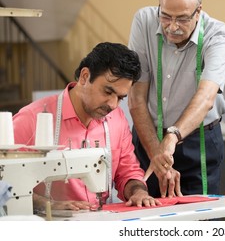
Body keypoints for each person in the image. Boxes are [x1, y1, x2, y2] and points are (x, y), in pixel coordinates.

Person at [13, 42, 160, 211]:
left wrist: (138, 192)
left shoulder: (116, 119)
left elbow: (127, 171)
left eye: (120, 98)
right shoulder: (32, 119)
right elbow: (6, 180)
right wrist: (48, 205)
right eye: (107, 92)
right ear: (84, 77)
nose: (113, 104)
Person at [128, 0, 225, 198]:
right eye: (165, 16)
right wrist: (158, 153)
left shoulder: (218, 36)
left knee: (200, 218)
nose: (172, 26)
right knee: (148, 215)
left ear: (198, 11)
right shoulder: (144, 21)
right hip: (149, 137)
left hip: (198, 142)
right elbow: (136, 98)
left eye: (182, 19)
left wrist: (173, 136)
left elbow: (206, 97)